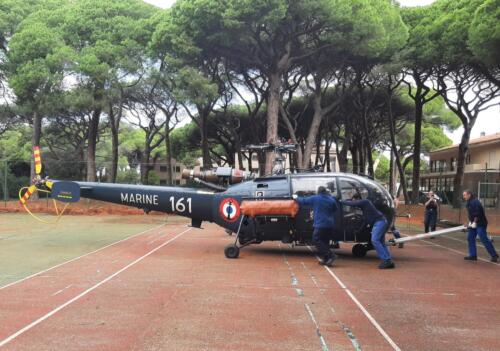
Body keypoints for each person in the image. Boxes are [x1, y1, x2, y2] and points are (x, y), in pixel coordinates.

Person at [342, 193, 395, 269]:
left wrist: (340, 201)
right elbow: (364, 222)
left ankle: (386, 260)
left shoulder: (365, 202)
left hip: (379, 222)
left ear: (357, 199)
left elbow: (352, 203)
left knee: (375, 240)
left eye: (354, 201)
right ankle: (389, 260)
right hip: (382, 222)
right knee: (381, 242)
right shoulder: (365, 210)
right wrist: (358, 230)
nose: (356, 205)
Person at [294, 186, 338, 266]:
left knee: (316, 240)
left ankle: (331, 255)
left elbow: (303, 201)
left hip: (321, 224)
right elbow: (335, 209)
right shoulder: (331, 199)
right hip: (330, 224)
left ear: (318, 192)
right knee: (325, 241)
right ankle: (326, 259)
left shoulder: (316, 198)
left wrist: (296, 197)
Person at [463, 189, 498, 262]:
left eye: (465, 195)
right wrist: (470, 222)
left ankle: (494, 255)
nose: (464, 196)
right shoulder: (468, 202)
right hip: (473, 222)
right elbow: (471, 214)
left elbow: (478, 213)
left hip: (480, 223)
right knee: (470, 238)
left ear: (469, 195)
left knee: (483, 238)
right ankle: (473, 255)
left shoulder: (475, 202)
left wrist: (475, 222)